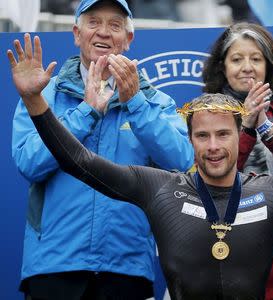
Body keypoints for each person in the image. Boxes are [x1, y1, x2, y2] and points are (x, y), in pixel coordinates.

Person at [7, 32, 273, 298]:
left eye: (223, 134)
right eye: (202, 136)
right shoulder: (159, 186)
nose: (213, 147)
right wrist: (35, 101)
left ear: (241, 135)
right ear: (189, 140)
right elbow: (79, 160)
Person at [10, 0, 194, 298]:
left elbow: (181, 161)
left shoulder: (154, 101)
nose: (104, 33)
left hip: (126, 268)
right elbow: (29, 163)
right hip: (54, 266)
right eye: (93, 22)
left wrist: (135, 103)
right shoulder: (43, 94)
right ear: (76, 34)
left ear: (129, 39)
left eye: (115, 25)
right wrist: (87, 112)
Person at [202, 22, 273, 299]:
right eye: (237, 59)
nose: (247, 67)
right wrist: (246, 125)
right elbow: (211, 173)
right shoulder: (206, 114)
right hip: (228, 248)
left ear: (269, 66)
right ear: (222, 67)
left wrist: (264, 124)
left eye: (256, 59)